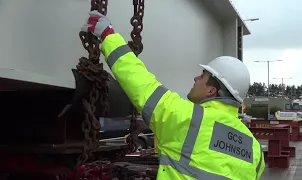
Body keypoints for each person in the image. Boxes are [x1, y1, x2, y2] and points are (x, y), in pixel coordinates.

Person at [81, 11, 265, 180]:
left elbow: (140, 83)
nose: (196, 77)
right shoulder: (255, 150)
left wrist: (107, 35)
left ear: (212, 91)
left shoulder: (189, 119)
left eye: (203, 76)